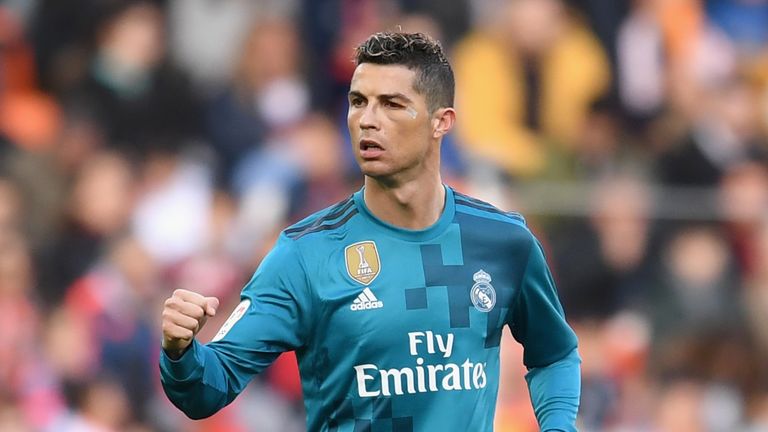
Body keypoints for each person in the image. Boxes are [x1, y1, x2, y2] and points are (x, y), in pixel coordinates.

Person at [160, 31, 581, 431]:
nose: (367, 120)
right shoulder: (306, 254)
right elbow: (206, 389)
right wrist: (181, 352)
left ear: (441, 122)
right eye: (358, 101)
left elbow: (555, 354)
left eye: (392, 104)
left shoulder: (502, 242)